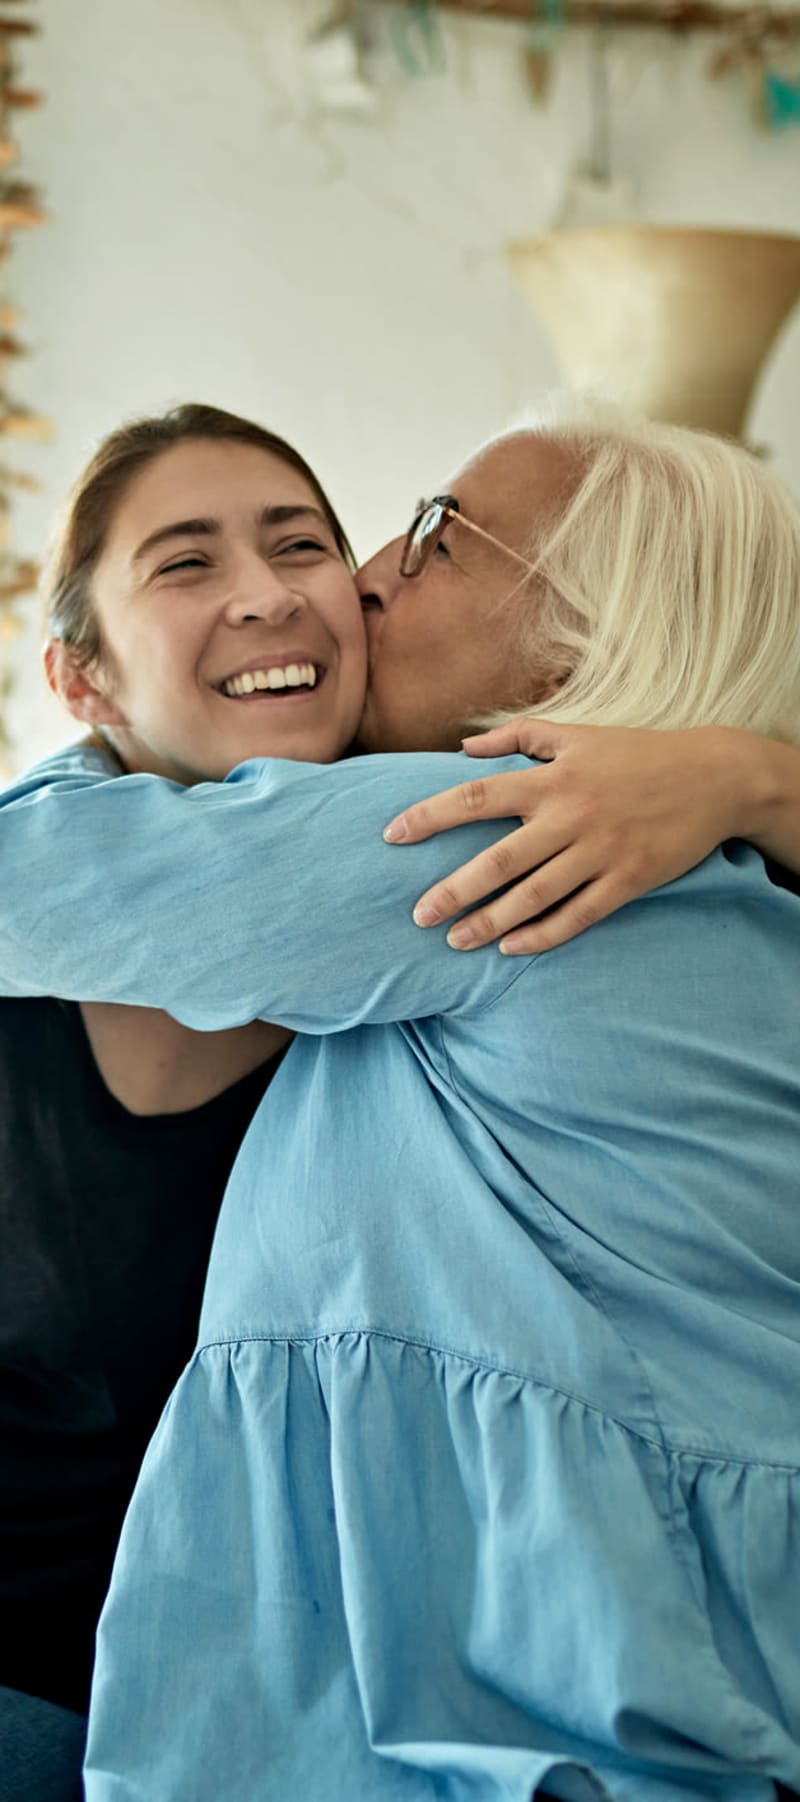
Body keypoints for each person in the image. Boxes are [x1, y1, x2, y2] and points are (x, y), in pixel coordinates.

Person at [1, 402, 799, 1801]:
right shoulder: (725, 887)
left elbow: (35, 877)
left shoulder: (496, 839)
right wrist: (749, 769)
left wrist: (118, 727)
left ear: (589, 626)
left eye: (437, 535)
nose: (363, 575)